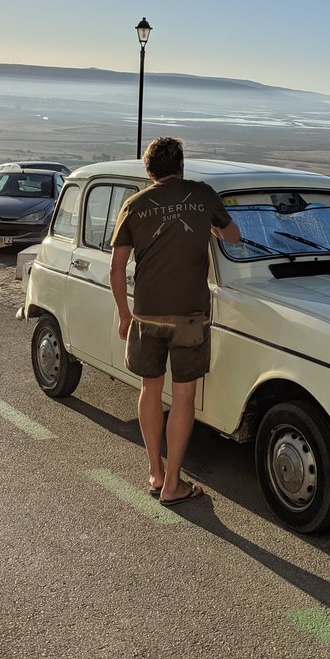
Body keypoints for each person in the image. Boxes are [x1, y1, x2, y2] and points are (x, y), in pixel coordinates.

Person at [109, 137, 240, 507]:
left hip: (147, 314)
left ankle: (155, 473)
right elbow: (234, 235)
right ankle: (175, 485)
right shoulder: (203, 194)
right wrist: (212, 228)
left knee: (150, 390)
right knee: (183, 398)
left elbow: (117, 268)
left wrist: (123, 314)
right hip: (190, 317)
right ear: (181, 165)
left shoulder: (133, 205)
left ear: (149, 171)